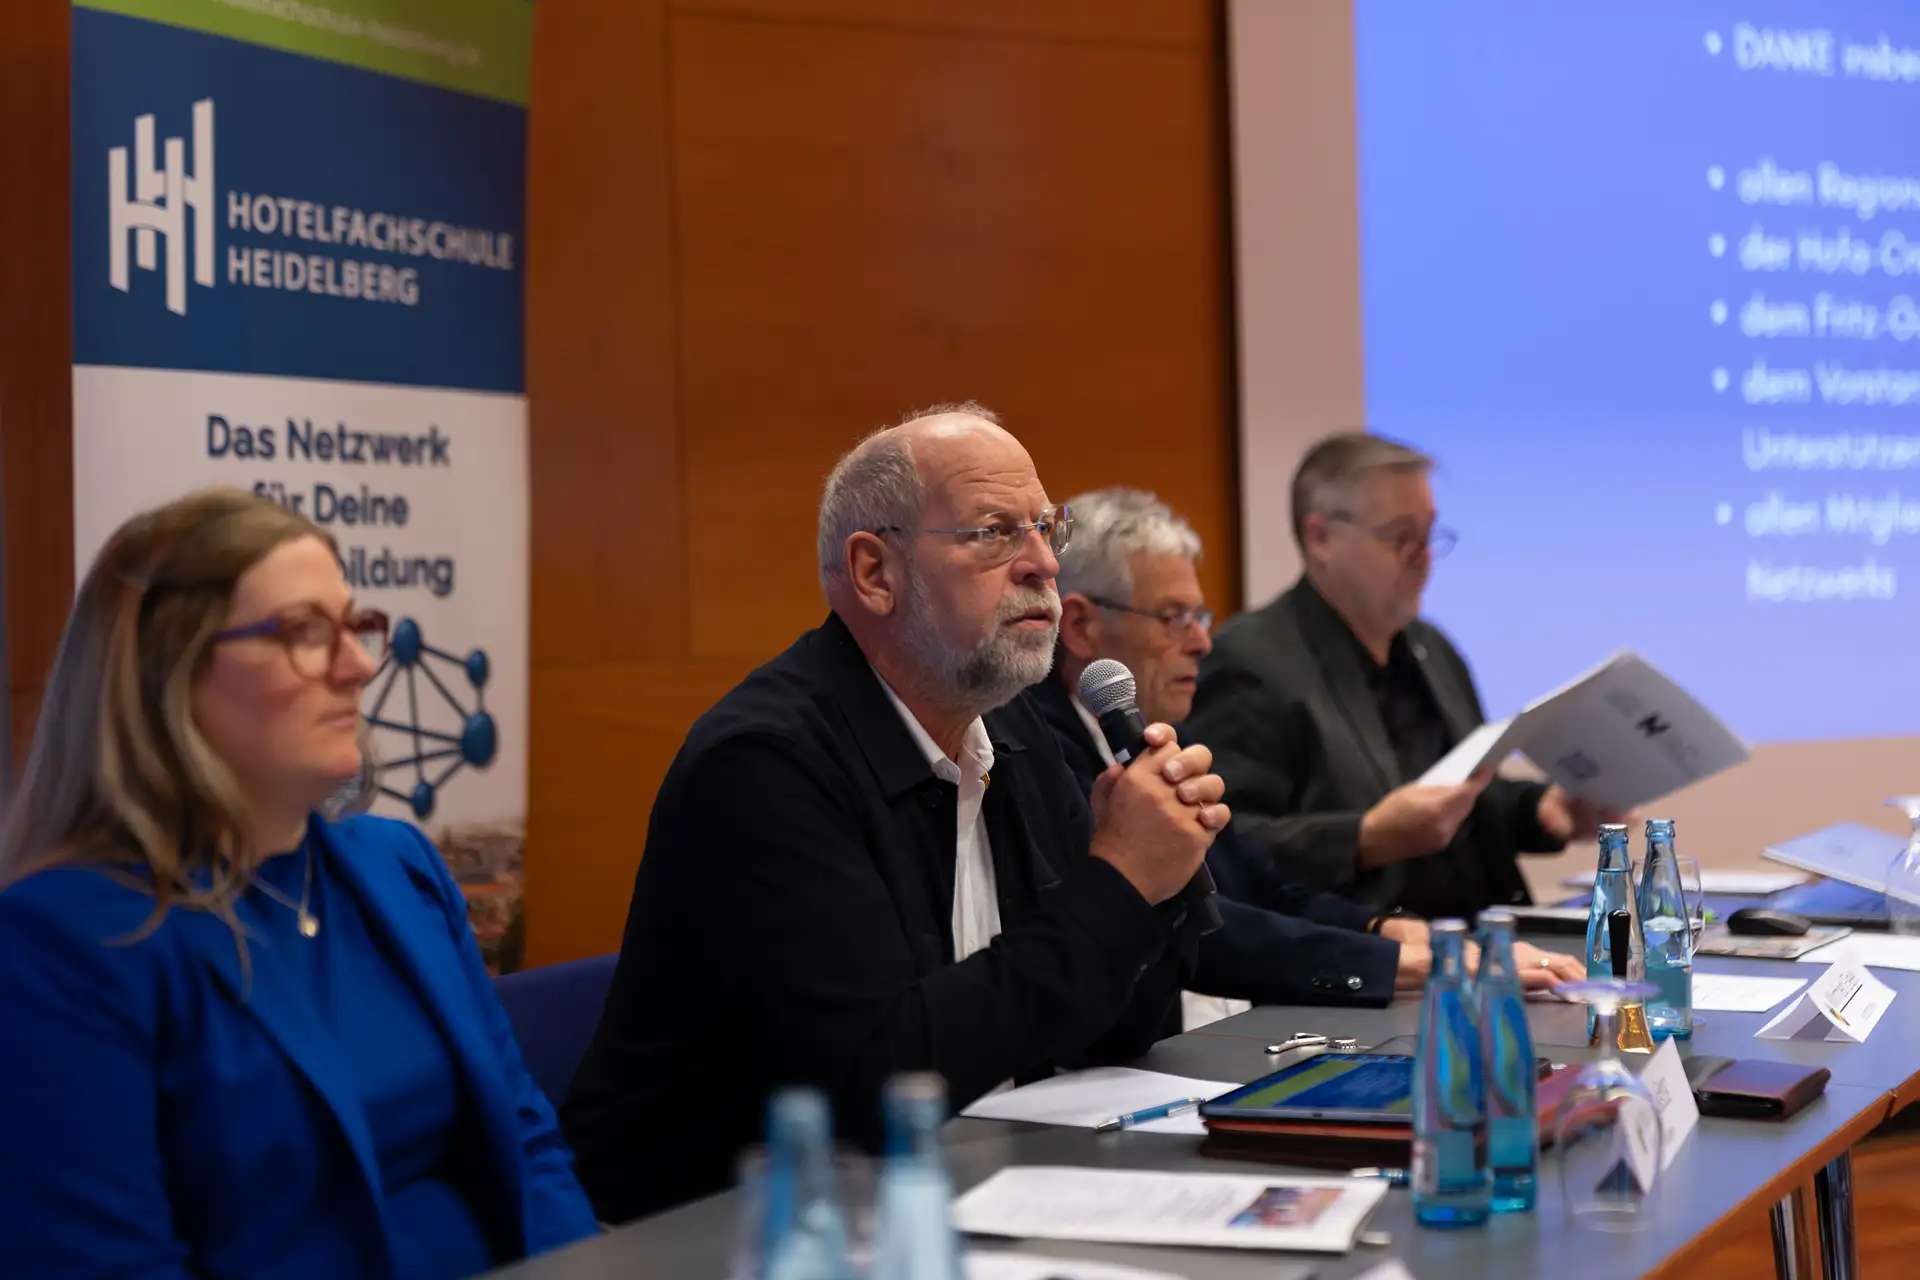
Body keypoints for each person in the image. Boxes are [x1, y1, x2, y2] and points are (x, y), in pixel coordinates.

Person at [562, 404, 1229, 1223]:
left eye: (1044, 528)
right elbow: (885, 1079)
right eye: (994, 533)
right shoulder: (763, 764)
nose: (1044, 564)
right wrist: (1119, 881)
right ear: (876, 572)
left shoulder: (1013, 729)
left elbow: (1113, 1029)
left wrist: (1158, 881)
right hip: (723, 1230)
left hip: (957, 1186)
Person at [0, 490, 600, 1278]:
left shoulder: (399, 866)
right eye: (305, 633)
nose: (359, 667)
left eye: (354, 626)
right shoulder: (63, 939)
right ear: (170, 671)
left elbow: (526, 1143)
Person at [1043, 487, 1585, 1029]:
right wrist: (1414, 962)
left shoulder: (1159, 732)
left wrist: (1383, 929)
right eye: (1173, 617)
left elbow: (1260, 883)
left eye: (1198, 616)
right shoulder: (1045, 752)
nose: (1201, 643)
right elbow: (1203, 931)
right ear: (1082, 627)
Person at [1187, 433, 1616, 925]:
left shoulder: (1432, 648)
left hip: (1485, 937)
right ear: (1320, 538)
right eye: (1401, 536)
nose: (1424, 557)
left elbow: (1463, 797)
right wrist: (1365, 839)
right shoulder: (1250, 662)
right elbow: (1223, 845)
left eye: (1429, 535)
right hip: (1363, 949)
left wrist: (1539, 811)